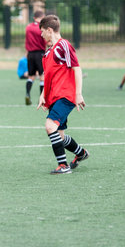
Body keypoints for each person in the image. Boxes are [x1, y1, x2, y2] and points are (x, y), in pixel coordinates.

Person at [37, 15, 89, 174]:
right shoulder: (48, 52)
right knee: (59, 135)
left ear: (49, 30)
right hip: (54, 97)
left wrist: (78, 94)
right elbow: (48, 76)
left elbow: (77, 68)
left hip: (65, 96)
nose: (41, 35)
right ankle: (81, 153)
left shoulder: (63, 45)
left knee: (50, 126)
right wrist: (43, 95)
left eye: (42, 32)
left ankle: (63, 165)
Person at [24, 10, 46, 105]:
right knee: (42, 76)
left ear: (34, 18)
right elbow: (45, 40)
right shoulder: (41, 28)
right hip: (40, 54)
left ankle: (27, 94)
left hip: (30, 54)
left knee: (31, 76)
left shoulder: (28, 27)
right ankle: (41, 98)